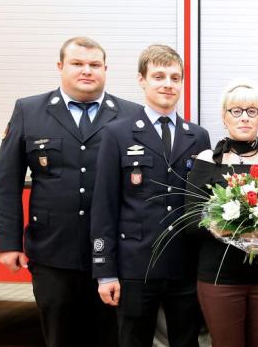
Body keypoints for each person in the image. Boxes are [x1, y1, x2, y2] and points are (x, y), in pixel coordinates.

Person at [0, 36, 138, 347]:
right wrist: (5, 241)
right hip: (52, 253)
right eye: (77, 64)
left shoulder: (130, 115)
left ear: (105, 69)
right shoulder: (29, 111)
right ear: (60, 67)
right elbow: (6, 180)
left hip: (114, 254)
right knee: (60, 336)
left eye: (94, 65)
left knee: (111, 337)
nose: (87, 71)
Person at [90, 44, 210, 347]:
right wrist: (105, 272)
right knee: (133, 340)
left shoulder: (198, 136)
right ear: (142, 80)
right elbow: (104, 205)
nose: (168, 84)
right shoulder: (117, 133)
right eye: (159, 76)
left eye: (174, 77)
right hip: (135, 266)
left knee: (186, 341)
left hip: (185, 265)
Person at [183, 79, 258, 347]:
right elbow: (191, 221)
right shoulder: (207, 161)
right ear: (224, 117)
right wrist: (225, 227)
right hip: (220, 278)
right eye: (236, 111)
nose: (244, 118)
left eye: (252, 111)